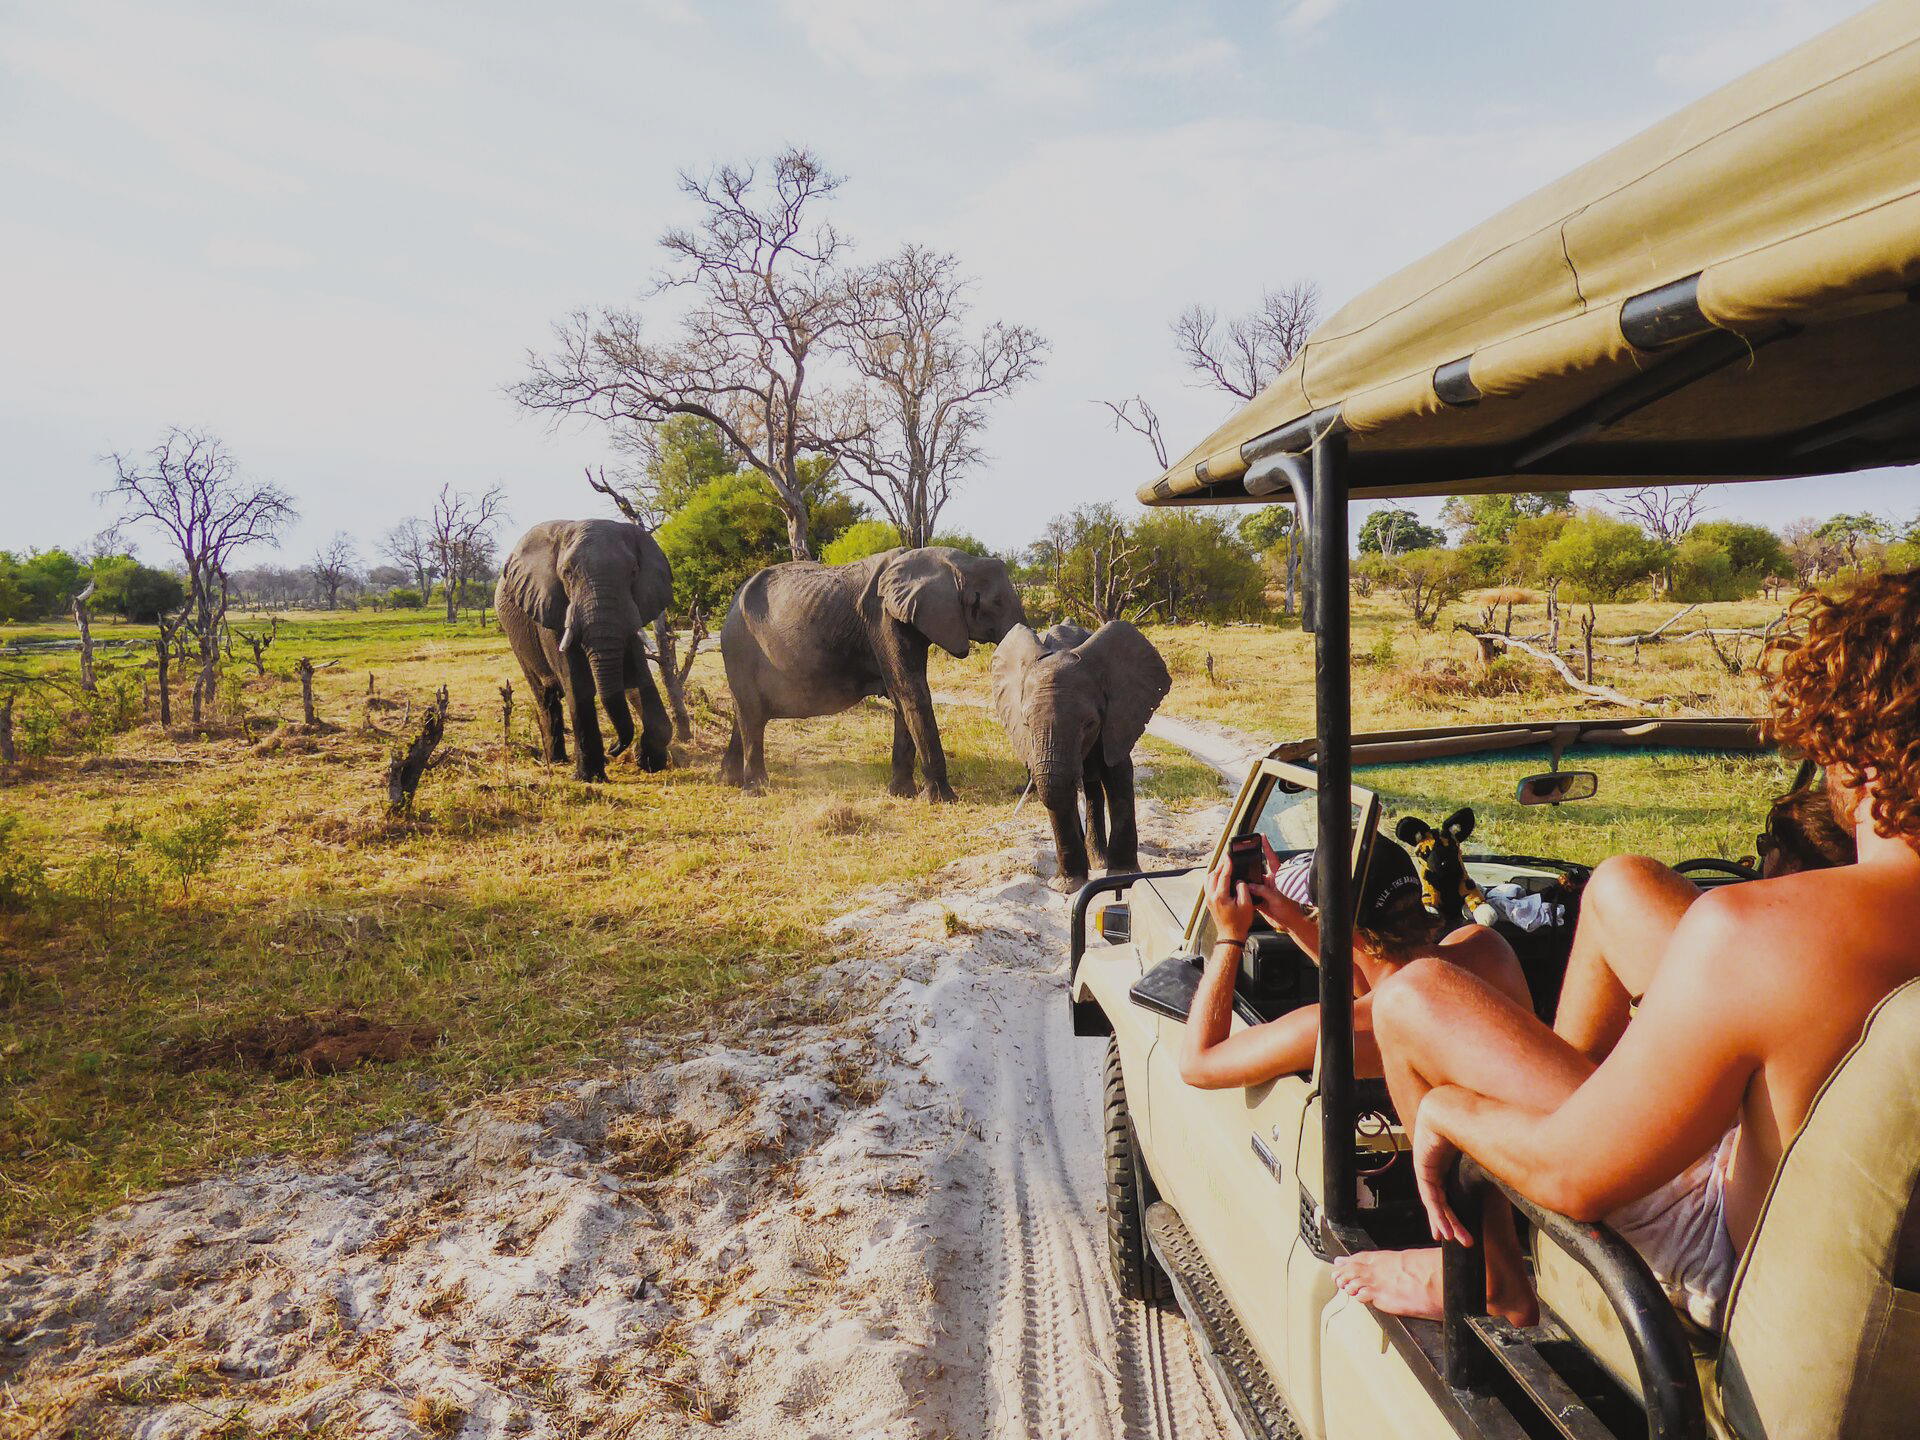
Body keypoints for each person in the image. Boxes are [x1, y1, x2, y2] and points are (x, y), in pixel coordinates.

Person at [1332, 571, 1920, 1332]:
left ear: (1862, 747)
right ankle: (1594, 1104)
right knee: (1621, 886)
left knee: (1415, 1001)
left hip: (1738, 1257)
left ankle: (1490, 1273)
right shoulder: (1772, 934)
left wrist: (1451, 1106)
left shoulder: (1753, 931)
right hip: (1837, 1211)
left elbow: (1568, 1180)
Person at [1182, 834, 1529, 1089]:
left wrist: (1229, 936)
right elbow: (1374, 980)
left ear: (1341, 931)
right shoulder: (1486, 947)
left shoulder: (1335, 1030)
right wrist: (1293, 919)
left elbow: (1198, 1064)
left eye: (1313, 913)